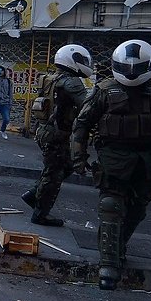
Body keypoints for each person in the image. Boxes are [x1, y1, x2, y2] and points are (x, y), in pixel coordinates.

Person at [71, 39, 151, 290]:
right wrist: (78, 157)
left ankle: (118, 247)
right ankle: (109, 264)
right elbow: (81, 124)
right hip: (114, 156)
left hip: (148, 158)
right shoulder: (104, 91)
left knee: (138, 208)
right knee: (110, 206)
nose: (130, 74)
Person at [21, 44, 94, 226]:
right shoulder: (71, 82)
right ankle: (40, 214)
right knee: (54, 174)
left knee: (63, 167)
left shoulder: (51, 78)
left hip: (44, 130)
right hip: (56, 134)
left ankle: (33, 195)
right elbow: (87, 106)